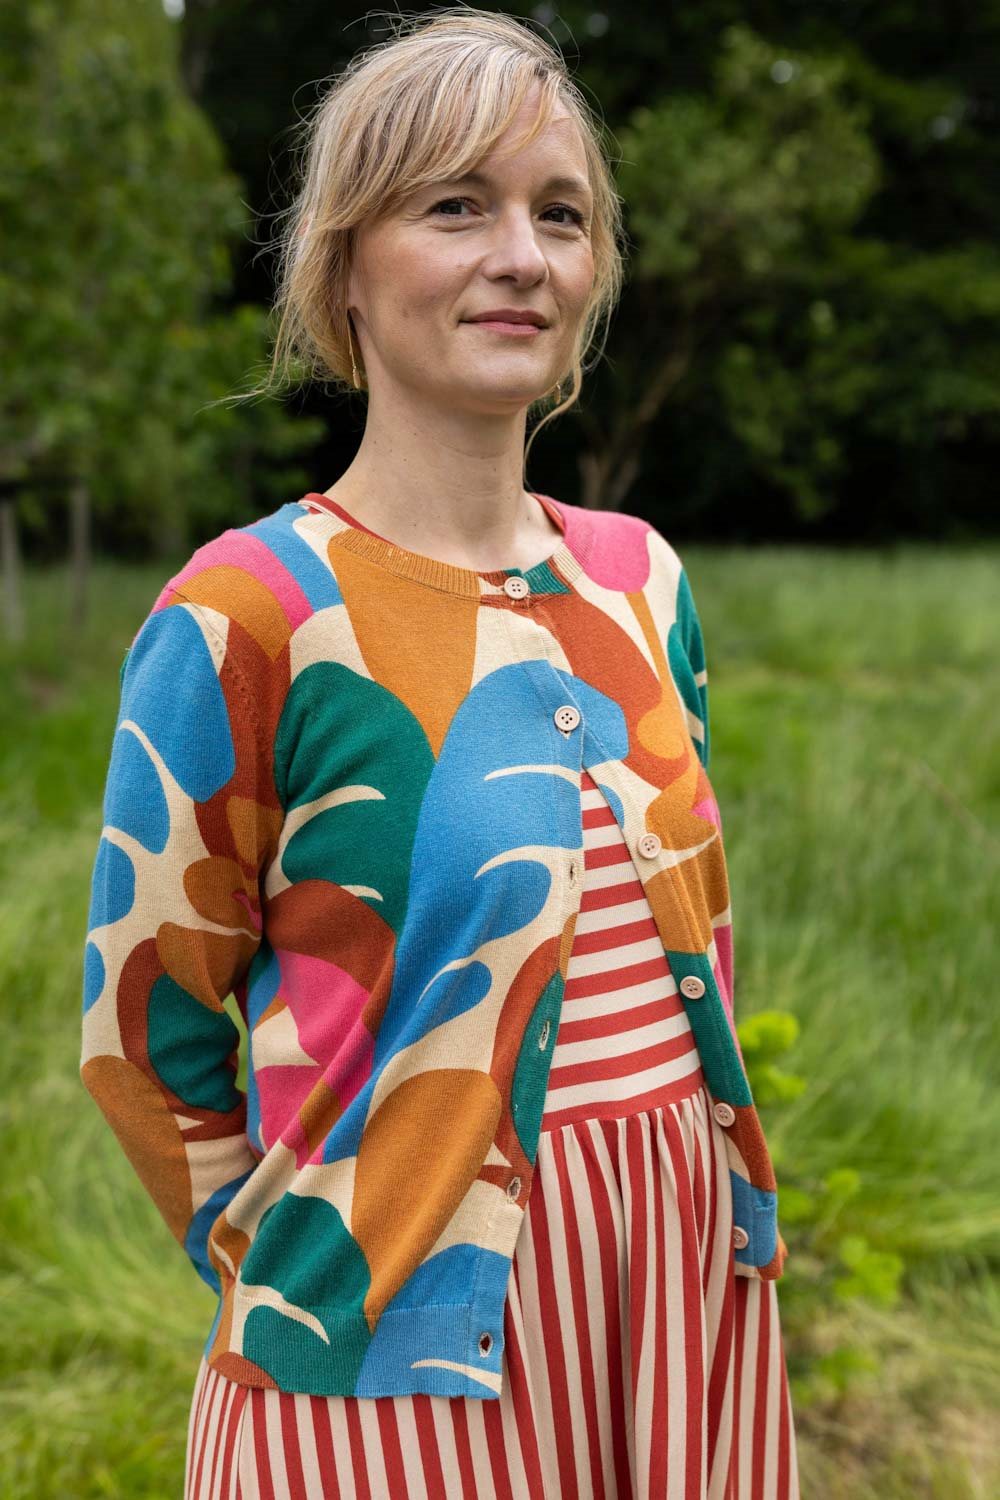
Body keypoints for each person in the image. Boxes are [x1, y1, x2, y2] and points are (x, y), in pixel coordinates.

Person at [80, 8, 800, 1496]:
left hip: (679, 1315)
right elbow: (145, 1037)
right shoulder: (248, 614)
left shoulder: (642, 579)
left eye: (561, 214)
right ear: (345, 264)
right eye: (457, 206)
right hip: (391, 1363)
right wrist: (302, 1280)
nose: (522, 256)